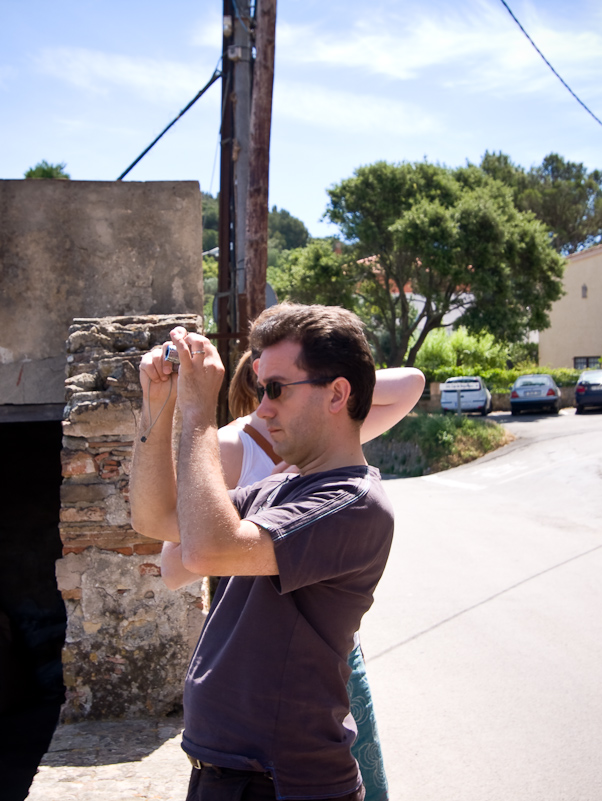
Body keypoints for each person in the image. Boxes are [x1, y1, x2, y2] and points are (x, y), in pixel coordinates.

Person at [130, 303, 400, 800]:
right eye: (262, 390)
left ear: (339, 393)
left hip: (281, 783)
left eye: (276, 389)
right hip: (233, 773)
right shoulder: (284, 485)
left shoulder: (352, 502)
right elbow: (155, 517)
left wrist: (198, 410)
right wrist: (157, 405)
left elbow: (209, 552)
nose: (263, 408)